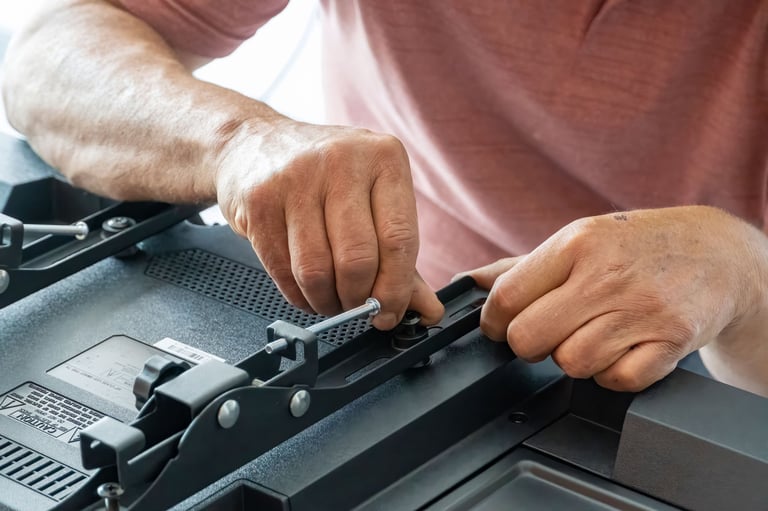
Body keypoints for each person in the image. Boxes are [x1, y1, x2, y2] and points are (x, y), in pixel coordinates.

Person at [3, 0, 767, 397]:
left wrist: (745, 276)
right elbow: (51, 52)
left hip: (727, 359)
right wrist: (238, 139)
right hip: (395, 315)